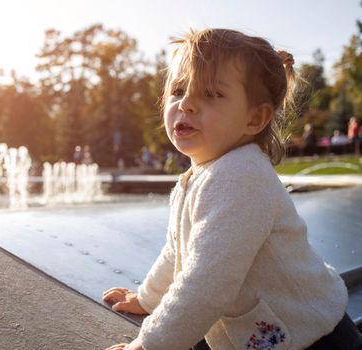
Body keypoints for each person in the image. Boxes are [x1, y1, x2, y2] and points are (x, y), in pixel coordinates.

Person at [103, 28, 360, 350]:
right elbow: (178, 252)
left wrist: (148, 345)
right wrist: (148, 298)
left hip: (315, 340)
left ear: (255, 119)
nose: (187, 104)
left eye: (211, 94)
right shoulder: (204, 173)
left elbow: (206, 284)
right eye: (179, 89)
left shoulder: (241, 176)